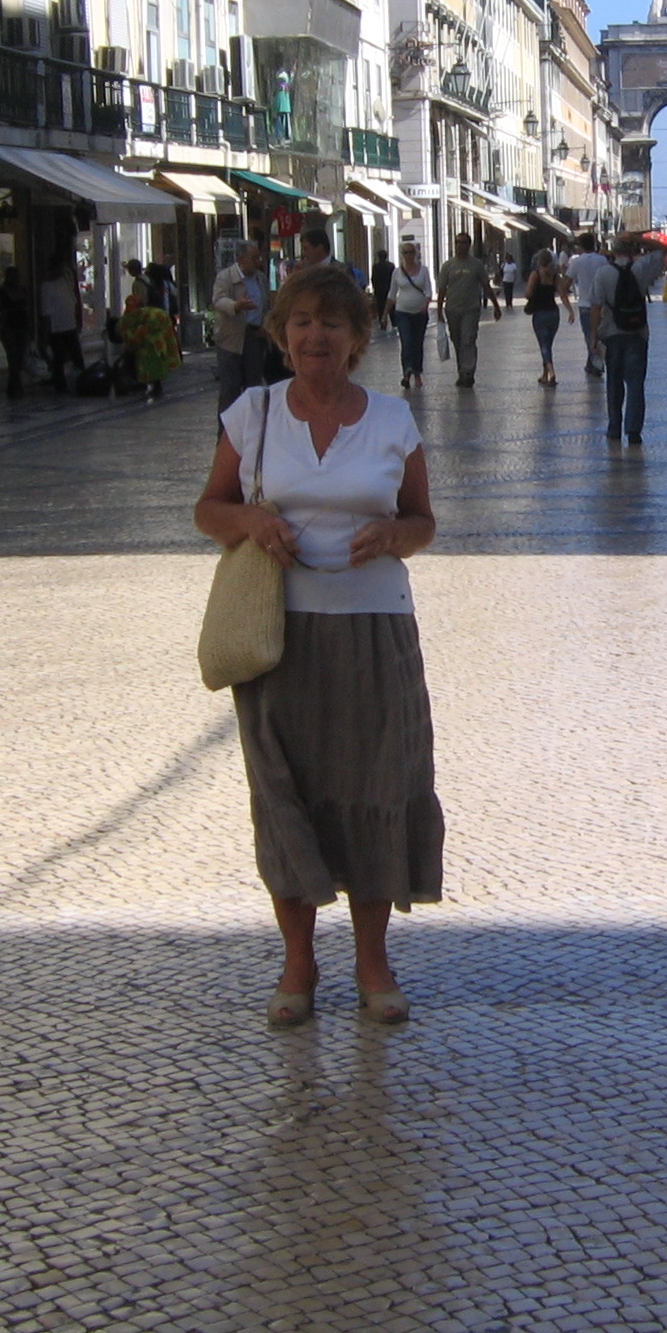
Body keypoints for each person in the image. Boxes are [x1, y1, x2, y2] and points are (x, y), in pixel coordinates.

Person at [194, 266, 442, 1029]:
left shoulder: (394, 421)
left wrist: (395, 536)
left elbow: (423, 521)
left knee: (377, 790)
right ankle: (298, 962)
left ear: (358, 339)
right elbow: (210, 508)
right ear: (281, 334)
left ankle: (374, 961)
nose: (314, 337)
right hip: (278, 635)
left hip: (374, 629)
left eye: (332, 325)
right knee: (285, 795)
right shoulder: (254, 414)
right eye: (300, 322)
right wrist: (251, 524)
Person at [589, 233, 654, 443]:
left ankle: (614, 427)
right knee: (636, 383)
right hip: (637, 332)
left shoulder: (603, 273)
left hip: (611, 333)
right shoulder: (641, 268)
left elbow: (596, 307)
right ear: (632, 250)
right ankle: (633, 430)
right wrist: (640, 239)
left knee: (614, 382)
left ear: (613, 250)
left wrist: (593, 336)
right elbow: (664, 249)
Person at [211, 242, 261, 413]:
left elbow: (267, 303)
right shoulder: (225, 277)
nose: (258, 262)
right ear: (240, 259)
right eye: (253, 258)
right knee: (230, 389)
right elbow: (218, 300)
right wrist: (236, 306)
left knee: (254, 388)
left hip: (255, 335)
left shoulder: (260, 278)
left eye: (258, 257)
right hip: (231, 339)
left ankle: (252, 431)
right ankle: (225, 434)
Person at [437, 233, 491, 388]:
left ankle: (468, 372)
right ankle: (461, 370)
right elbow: (441, 289)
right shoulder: (448, 266)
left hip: (471, 309)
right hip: (452, 309)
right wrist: (439, 311)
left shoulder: (476, 265)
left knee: (468, 339)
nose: (459, 245)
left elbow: (486, 285)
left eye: (462, 242)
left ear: (469, 245)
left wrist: (495, 305)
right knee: (457, 340)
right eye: (457, 242)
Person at [114, 289, 180, 401]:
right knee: (156, 361)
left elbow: (132, 337)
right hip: (159, 334)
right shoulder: (142, 313)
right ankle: (155, 386)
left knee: (150, 362)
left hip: (152, 338)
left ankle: (152, 387)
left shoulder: (126, 321)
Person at [388, 238, 433, 389]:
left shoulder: (423, 270)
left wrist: (425, 305)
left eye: (410, 252)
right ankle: (406, 373)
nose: (408, 255)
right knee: (406, 341)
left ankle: (417, 373)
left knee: (417, 343)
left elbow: (428, 291)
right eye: (405, 252)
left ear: (415, 254)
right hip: (402, 312)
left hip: (419, 313)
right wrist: (383, 314)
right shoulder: (397, 272)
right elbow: (392, 294)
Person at [566, 233, 612, 378]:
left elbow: (566, 282)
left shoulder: (576, 262)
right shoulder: (603, 260)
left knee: (589, 335)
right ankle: (592, 363)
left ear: (581, 245)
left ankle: (597, 364)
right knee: (599, 334)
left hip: (585, 303)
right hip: (603, 304)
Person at [38, 257, 82, 394]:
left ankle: (81, 380)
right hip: (56, 328)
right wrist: (45, 333)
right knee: (59, 357)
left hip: (70, 325)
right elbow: (46, 312)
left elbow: (73, 300)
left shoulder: (65, 281)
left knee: (76, 355)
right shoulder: (46, 287)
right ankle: (60, 384)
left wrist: (77, 319)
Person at [525, 246, 565, 386]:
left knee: (544, 345)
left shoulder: (535, 274)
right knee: (548, 344)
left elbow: (528, 293)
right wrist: (571, 311)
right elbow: (562, 294)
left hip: (540, 314)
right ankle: (544, 375)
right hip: (554, 313)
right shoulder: (555, 276)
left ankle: (551, 372)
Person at [0, 264, 35, 399]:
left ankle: (14, 386)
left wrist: (31, 328)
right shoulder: (1, 293)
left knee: (20, 358)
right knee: (13, 357)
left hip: (22, 327)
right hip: (8, 328)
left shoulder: (23, 290)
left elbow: (28, 310)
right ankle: (15, 388)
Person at [370, 248, 397, 329]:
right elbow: (394, 278)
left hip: (379, 290)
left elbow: (373, 278)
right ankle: (394, 322)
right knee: (391, 305)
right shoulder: (391, 266)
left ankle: (382, 323)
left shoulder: (376, 266)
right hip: (389, 288)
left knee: (381, 306)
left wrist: (375, 288)